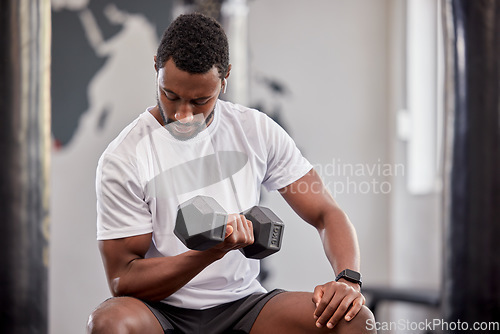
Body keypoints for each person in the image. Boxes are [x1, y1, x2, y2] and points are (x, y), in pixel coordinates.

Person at [87, 12, 375, 334]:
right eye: (171, 96)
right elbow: (123, 278)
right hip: (160, 309)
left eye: (200, 100)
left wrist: (348, 279)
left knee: (355, 321)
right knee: (110, 323)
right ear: (156, 68)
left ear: (225, 80)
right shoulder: (124, 156)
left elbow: (325, 212)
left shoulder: (255, 130)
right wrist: (210, 254)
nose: (183, 114)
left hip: (243, 305)